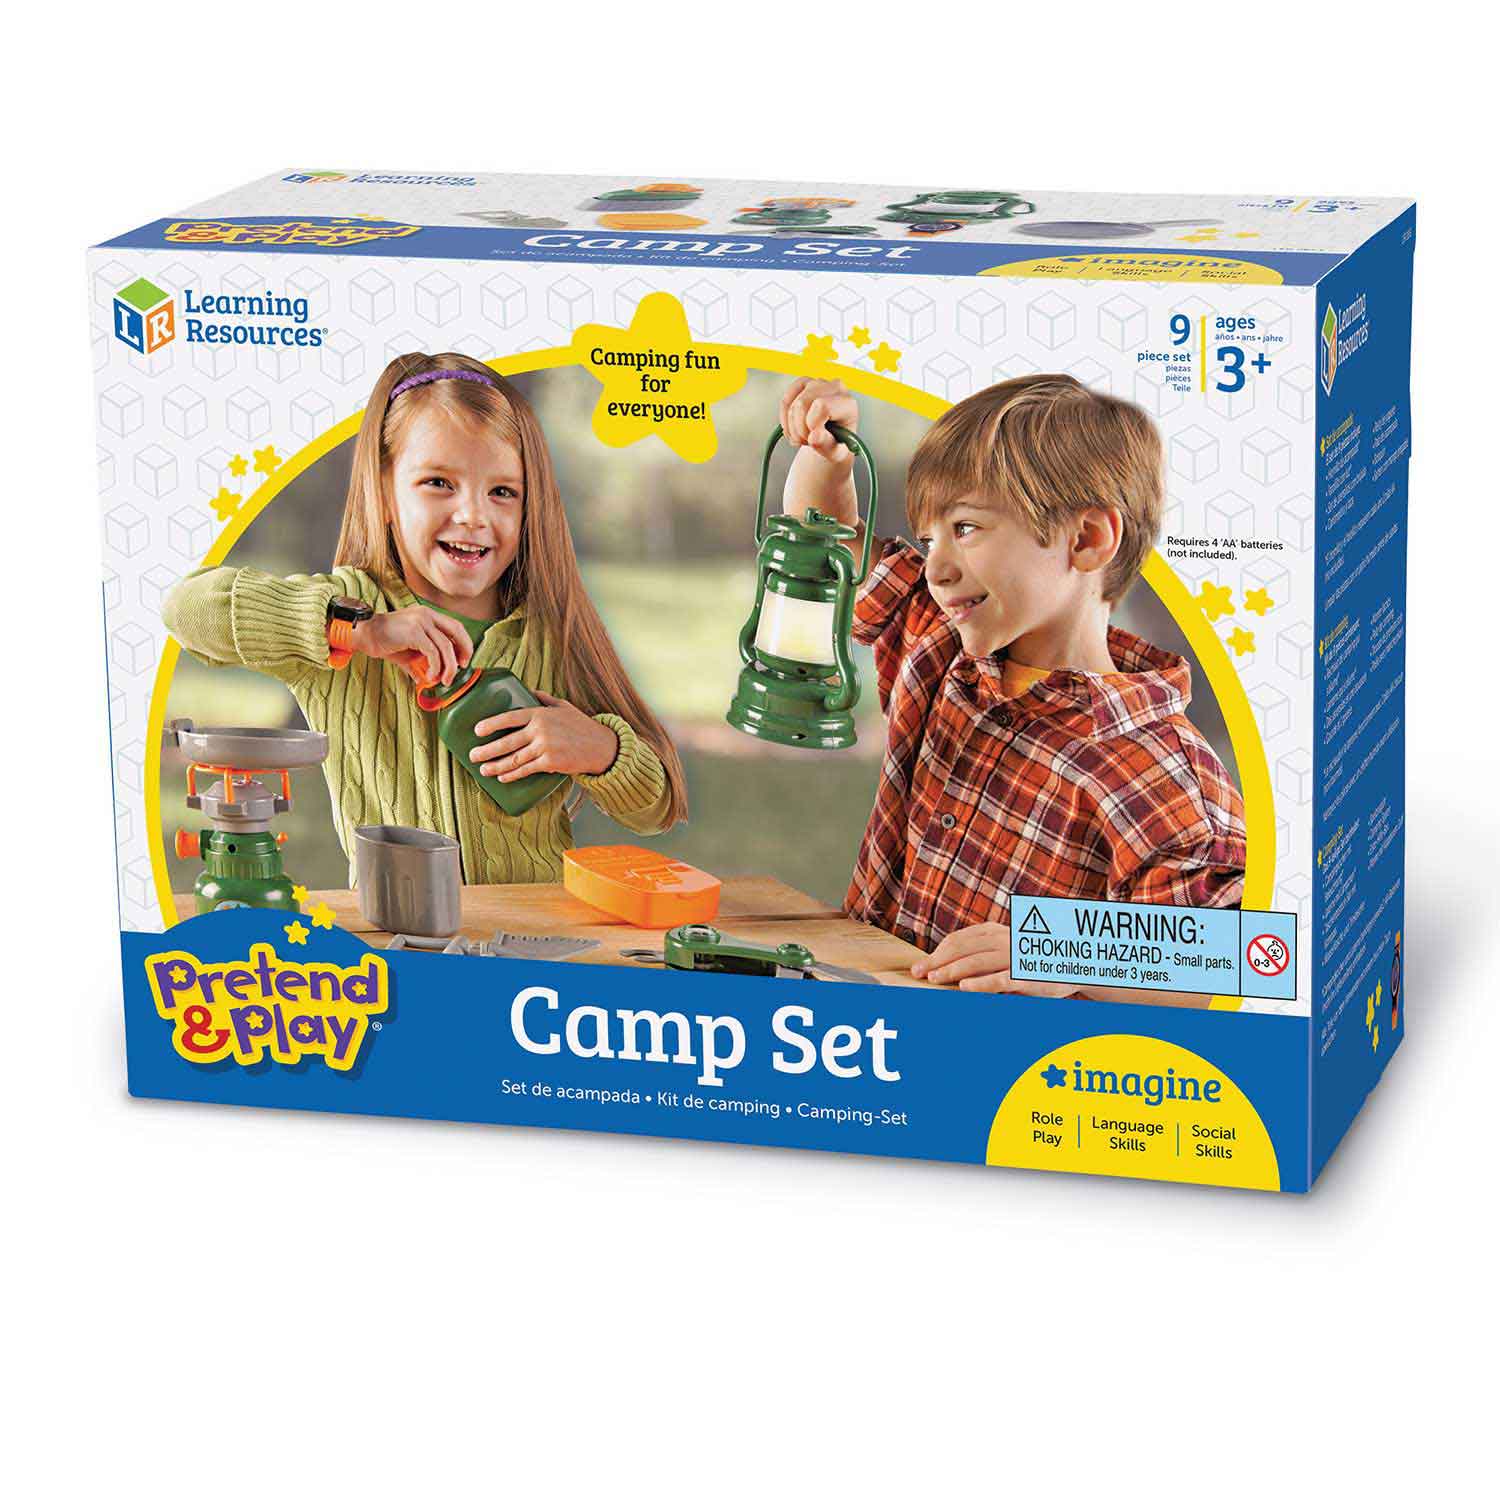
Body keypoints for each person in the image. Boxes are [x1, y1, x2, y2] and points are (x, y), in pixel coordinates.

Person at [778, 374, 1245, 1002]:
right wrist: (826, 456)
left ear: (1087, 539)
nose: (937, 569)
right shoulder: (939, 643)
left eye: (967, 528)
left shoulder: (1162, 769)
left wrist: (1053, 952)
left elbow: (1232, 958)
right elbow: (826, 546)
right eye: (929, 538)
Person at [163, 352, 685, 885]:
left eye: (503, 492)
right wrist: (361, 630)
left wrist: (598, 750)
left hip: (536, 920)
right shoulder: (351, 613)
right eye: (439, 482)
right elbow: (186, 609)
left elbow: (658, 806)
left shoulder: (552, 630)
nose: (473, 515)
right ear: (384, 493)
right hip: (394, 923)